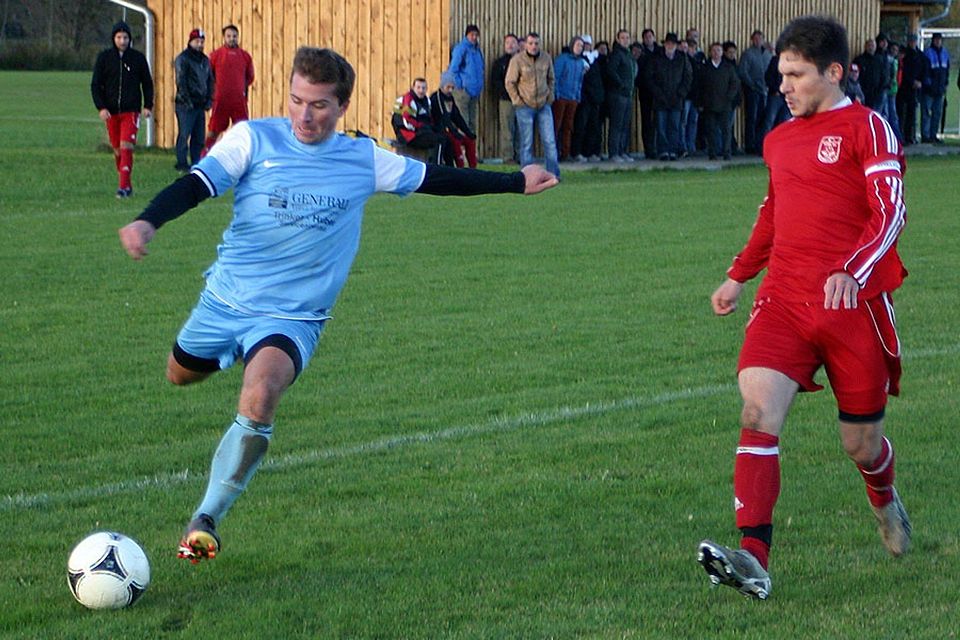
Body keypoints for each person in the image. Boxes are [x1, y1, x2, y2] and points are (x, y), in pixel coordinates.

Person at [117, 47, 558, 564]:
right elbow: (196, 185)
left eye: (319, 105)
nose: (304, 116)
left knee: (261, 393)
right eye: (296, 100)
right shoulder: (253, 139)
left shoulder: (362, 159)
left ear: (343, 106)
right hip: (225, 302)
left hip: (293, 319)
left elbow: (437, 180)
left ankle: (206, 517)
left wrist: (514, 181)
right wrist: (148, 220)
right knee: (179, 375)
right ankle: (232, 353)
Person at [697, 14, 910, 601]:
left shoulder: (870, 128)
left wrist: (852, 269)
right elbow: (774, 213)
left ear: (834, 72)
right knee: (756, 412)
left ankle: (884, 499)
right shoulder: (779, 139)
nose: (783, 85)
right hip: (784, 301)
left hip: (853, 308)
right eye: (781, 73)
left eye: (795, 75)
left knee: (861, 445)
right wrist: (738, 275)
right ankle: (754, 557)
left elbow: (890, 211)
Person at [91, 21, 154, 198]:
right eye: (119, 37)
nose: (122, 41)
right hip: (111, 112)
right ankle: (126, 181)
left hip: (131, 111)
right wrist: (101, 107)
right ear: (114, 38)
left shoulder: (137, 58)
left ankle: (123, 187)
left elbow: (147, 83)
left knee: (126, 146)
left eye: (125, 37)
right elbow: (96, 85)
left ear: (129, 39)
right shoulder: (104, 58)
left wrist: (147, 105)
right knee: (118, 149)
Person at [505, 32, 560, 178]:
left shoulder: (546, 58)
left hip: (543, 105)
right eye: (530, 43)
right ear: (525, 45)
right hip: (524, 105)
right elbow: (510, 82)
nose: (533, 46)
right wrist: (517, 101)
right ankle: (527, 177)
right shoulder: (517, 60)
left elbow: (551, 79)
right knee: (526, 143)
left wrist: (550, 97)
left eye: (536, 43)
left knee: (550, 141)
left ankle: (553, 175)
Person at [204, 24, 255, 154]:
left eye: (234, 36)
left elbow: (250, 77)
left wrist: (240, 89)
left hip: (238, 101)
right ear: (224, 37)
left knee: (242, 129)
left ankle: (242, 155)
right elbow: (209, 77)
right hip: (220, 100)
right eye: (229, 36)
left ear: (238, 37)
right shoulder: (215, 55)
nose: (232, 38)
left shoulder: (245, 56)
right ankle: (206, 154)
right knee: (214, 129)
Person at [645, 32, 691, 161]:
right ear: (664, 44)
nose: (670, 46)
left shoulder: (682, 58)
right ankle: (663, 151)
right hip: (660, 98)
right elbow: (649, 77)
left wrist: (681, 93)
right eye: (668, 43)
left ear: (676, 46)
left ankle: (673, 151)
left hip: (676, 98)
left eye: (673, 44)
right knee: (661, 127)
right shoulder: (656, 58)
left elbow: (688, 77)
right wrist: (657, 93)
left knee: (675, 126)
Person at [173, 29, 214, 172]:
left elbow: (210, 81)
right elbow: (181, 81)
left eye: (202, 42)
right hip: (185, 105)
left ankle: (196, 162)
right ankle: (182, 162)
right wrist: (187, 100)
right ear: (190, 42)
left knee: (199, 137)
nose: (200, 44)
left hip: (200, 104)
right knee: (184, 134)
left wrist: (209, 99)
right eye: (197, 41)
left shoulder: (205, 60)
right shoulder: (183, 59)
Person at [698, 42, 740, 160]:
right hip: (709, 104)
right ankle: (712, 153)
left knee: (726, 130)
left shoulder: (728, 67)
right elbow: (700, 86)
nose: (716, 53)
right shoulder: (705, 68)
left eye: (718, 50)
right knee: (711, 130)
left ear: (722, 53)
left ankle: (727, 153)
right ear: (710, 53)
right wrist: (701, 101)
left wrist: (729, 97)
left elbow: (735, 83)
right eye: (714, 50)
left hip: (725, 104)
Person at [431, 72, 478, 168]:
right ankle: (460, 167)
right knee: (455, 141)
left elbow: (456, 117)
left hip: (449, 129)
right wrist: (454, 132)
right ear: (442, 86)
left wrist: (468, 132)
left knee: (469, 140)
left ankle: (473, 167)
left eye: (452, 88)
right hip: (438, 129)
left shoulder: (450, 98)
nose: (450, 90)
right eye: (448, 87)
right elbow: (443, 117)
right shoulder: (437, 98)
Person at [394, 77, 446, 163]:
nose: (421, 90)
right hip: (408, 135)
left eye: (423, 88)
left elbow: (428, 119)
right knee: (439, 141)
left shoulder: (426, 101)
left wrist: (431, 128)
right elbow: (407, 122)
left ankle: (449, 167)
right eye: (418, 87)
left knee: (445, 138)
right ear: (413, 88)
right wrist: (423, 128)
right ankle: (437, 166)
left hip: (419, 132)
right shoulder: (408, 100)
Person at [605, 29, 637, 162]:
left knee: (625, 125)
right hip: (618, 95)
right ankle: (614, 153)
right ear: (618, 40)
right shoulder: (617, 54)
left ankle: (622, 150)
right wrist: (621, 84)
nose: (625, 40)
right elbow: (611, 71)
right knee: (617, 125)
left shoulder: (628, 54)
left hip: (628, 94)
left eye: (627, 38)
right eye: (622, 38)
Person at [447, 24, 485, 134]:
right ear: (466, 35)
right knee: (462, 122)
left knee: (472, 123)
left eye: (476, 35)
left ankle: (470, 144)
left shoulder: (477, 50)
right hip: (463, 91)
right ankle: (461, 145)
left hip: (474, 91)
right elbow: (453, 69)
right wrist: (460, 85)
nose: (474, 37)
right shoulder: (461, 49)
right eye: (472, 35)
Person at [553, 36, 586, 161]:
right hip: (561, 97)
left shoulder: (581, 62)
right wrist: (557, 94)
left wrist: (577, 97)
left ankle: (565, 153)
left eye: (581, 46)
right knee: (556, 126)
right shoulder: (563, 59)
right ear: (572, 45)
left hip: (573, 99)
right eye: (577, 45)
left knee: (568, 126)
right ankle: (553, 153)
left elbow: (579, 81)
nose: (579, 48)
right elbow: (556, 77)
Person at [572, 35, 605, 162]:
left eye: (587, 44)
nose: (586, 46)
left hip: (595, 99)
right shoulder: (579, 59)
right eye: (583, 44)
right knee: (581, 126)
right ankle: (577, 152)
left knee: (594, 127)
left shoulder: (595, 59)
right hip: (584, 99)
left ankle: (590, 152)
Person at [739, 30, 772, 154]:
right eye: (755, 39)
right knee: (751, 118)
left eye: (760, 39)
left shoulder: (767, 54)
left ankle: (760, 144)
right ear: (752, 40)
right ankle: (750, 144)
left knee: (763, 118)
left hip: (766, 90)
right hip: (752, 91)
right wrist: (752, 85)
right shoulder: (747, 54)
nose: (758, 41)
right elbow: (743, 72)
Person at [491, 33, 520, 163]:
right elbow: (495, 81)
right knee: (507, 129)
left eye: (513, 43)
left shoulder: (523, 61)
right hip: (506, 100)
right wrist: (506, 93)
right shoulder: (500, 63)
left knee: (521, 130)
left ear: (518, 45)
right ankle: (508, 157)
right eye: (507, 43)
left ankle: (520, 156)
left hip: (522, 100)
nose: (510, 45)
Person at [636, 29, 661, 159]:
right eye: (646, 37)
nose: (648, 39)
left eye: (650, 36)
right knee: (646, 121)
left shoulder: (660, 51)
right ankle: (649, 149)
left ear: (654, 37)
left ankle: (659, 147)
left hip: (659, 92)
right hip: (645, 91)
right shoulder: (641, 52)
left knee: (659, 120)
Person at [921, 32, 950, 144]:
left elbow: (946, 71)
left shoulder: (945, 53)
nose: (938, 41)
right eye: (936, 40)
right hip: (929, 90)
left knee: (937, 114)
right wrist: (928, 85)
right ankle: (925, 135)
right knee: (926, 113)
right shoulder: (928, 53)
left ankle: (933, 135)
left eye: (939, 40)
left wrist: (945, 84)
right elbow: (925, 71)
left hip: (940, 89)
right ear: (933, 41)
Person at [897, 33, 925, 145]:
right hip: (904, 88)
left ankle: (910, 136)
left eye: (914, 41)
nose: (912, 43)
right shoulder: (905, 55)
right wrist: (912, 81)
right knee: (902, 113)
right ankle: (902, 136)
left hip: (915, 89)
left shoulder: (920, 55)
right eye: (911, 41)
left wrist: (920, 82)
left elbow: (924, 70)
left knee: (912, 114)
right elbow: (903, 71)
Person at [852, 38, 888, 111]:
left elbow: (884, 75)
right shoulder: (859, 60)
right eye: (869, 45)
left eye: (873, 46)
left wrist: (881, 89)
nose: (871, 48)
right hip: (863, 92)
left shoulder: (879, 59)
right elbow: (853, 75)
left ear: (875, 47)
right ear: (865, 46)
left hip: (877, 93)